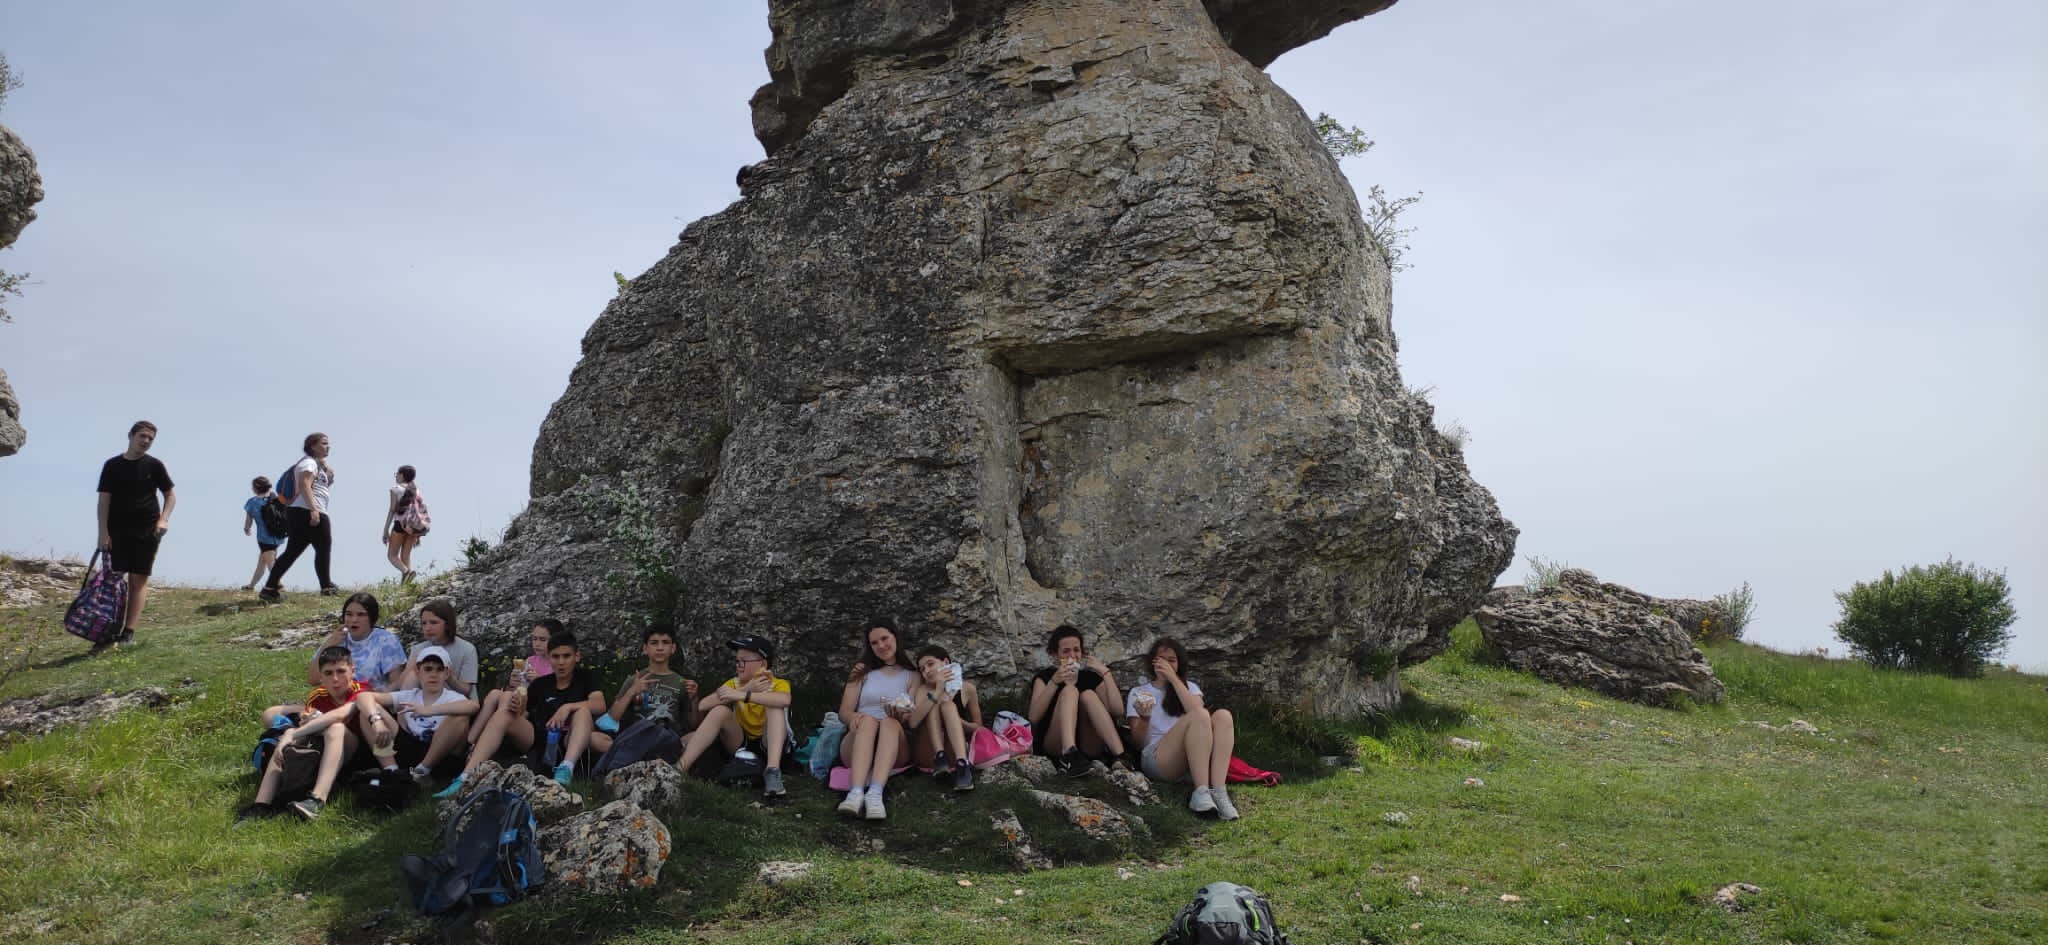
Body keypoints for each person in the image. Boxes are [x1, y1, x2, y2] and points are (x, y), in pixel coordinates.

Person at [437, 629, 610, 796]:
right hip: (540, 737)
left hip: (570, 736)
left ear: (576, 656)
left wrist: (568, 707)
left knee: (582, 712)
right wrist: (516, 707)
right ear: (549, 657)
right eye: (556, 657)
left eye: (566, 656)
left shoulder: (585, 677)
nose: (561, 662)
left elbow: (599, 704)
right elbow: (524, 715)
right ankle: (466, 776)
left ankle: (567, 767)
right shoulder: (541, 684)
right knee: (504, 714)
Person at [237, 645, 388, 821]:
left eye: (341, 671)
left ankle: (317, 799)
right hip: (328, 753)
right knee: (288, 739)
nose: (335, 679)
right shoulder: (317, 697)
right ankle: (261, 804)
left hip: (361, 753)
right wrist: (293, 733)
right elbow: (307, 723)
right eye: (328, 673)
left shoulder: (362, 690)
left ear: (352, 671)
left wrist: (293, 734)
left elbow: (340, 715)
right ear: (321, 677)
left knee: (335, 727)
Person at [1126, 637, 1240, 820]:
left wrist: (1173, 679)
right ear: (1153, 662)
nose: (1166, 664)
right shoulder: (1139, 692)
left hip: (1192, 758)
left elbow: (1198, 712)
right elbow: (1138, 743)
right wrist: (1145, 718)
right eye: (1161, 660)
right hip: (1158, 758)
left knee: (1223, 716)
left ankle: (1219, 792)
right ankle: (1201, 791)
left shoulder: (1189, 688)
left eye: (1171, 660)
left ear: (1179, 664)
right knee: (1199, 715)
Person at [256, 591, 408, 728]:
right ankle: (296, 734)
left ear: (372, 618)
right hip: (330, 702)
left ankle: (306, 732)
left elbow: (397, 682)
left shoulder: (385, 640)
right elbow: (313, 679)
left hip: (362, 706)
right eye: (349, 614)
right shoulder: (338, 638)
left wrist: (372, 699)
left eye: (361, 615)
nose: (354, 620)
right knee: (271, 714)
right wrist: (328, 644)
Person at [675, 635, 791, 798]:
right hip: (741, 743)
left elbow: (785, 700)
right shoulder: (735, 684)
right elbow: (704, 705)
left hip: (770, 744)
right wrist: (745, 689)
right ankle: (679, 768)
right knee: (719, 711)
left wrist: (743, 696)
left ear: (762, 664)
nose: (739, 666)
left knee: (774, 705)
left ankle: (772, 771)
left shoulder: (778, 684)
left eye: (743, 662)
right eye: (737, 661)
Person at [93, 420, 176, 648]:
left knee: (138, 580)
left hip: (147, 530)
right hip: (116, 531)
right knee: (112, 581)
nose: (146, 441)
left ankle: (128, 633)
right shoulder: (112, 465)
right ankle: (106, 631)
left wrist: (163, 519)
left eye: (150, 438)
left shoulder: (154, 465)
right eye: (142, 436)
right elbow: (104, 500)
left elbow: (170, 495)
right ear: (130, 436)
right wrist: (103, 532)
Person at [835, 620, 918, 820]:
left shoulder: (912, 675)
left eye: (884, 638)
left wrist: (899, 714)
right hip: (860, 736)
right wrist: (856, 718)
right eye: (874, 643)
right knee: (869, 720)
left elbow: (910, 718)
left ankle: (875, 793)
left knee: (889, 722)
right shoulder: (862, 670)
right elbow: (844, 712)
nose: (881, 646)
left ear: (895, 637)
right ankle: (855, 793)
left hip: (893, 742)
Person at [362, 645, 477, 782]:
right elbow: (364, 696)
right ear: (418, 672)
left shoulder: (453, 697)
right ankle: (392, 771)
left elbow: (473, 706)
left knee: (459, 716)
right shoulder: (409, 695)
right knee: (367, 710)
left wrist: (429, 710)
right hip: (411, 750)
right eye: (428, 669)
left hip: (441, 756)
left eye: (439, 669)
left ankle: (422, 771)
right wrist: (377, 723)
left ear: (446, 673)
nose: (433, 674)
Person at [1025, 624, 1124, 772]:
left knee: (1088, 695)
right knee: (1070, 690)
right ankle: (1069, 754)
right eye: (1066, 651)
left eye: (1076, 650)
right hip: (1055, 743)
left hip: (1089, 743)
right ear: (1055, 654)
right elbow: (1033, 718)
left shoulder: (1090, 677)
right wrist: (1054, 682)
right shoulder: (1045, 678)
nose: (1072, 655)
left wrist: (1106, 673)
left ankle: (1121, 756)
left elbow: (1118, 711)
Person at [259, 432, 337, 601]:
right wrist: (314, 509)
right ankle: (326, 587)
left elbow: (318, 484)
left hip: (298, 512)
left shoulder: (314, 464)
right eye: (324, 443)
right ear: (312, 446)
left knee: (292, 552)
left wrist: (326, 469)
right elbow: (304, 484)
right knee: (323, 548)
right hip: (309, 510)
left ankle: (269, 588)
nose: (328, 446)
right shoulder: (309, 463)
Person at [469, 620, 557, 749]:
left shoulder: (558, 665)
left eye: (543, 640)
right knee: (495, 694)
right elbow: (520, 688)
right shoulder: (530, 661)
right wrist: (513, 683)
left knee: (507, 697)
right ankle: (470, 741)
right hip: (520, 703)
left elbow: (555, 695)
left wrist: (538, 681)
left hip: (534, 713)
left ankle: (486, 741)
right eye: (534, 639)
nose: (537, 643)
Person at [906, 644, 981, 792]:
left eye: (930, 664)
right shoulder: (923, 690)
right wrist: (938, 690)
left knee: (948, 707)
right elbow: (913, 723)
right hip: (929, 753)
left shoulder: (967, 688)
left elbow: (978, 727)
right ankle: (940, 757)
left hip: (954, 749)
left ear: (946, 662)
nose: (927, 671)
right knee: (934, 702)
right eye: (922, 669)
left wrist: (959, 722)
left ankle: (962, 765)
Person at [607, 625, 701, 734]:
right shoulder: (635, 680)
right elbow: (612, 718)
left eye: (665, 642)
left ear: (673, 648)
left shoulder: (682, 683)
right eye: (654, 643)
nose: (660, 648)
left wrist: (694, 699)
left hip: (670, 739)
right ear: (645, 648)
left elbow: (694, 725)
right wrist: (631, 692)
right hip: (639, 737)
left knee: (695, 737)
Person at [392, 599, 479, 695]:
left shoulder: (467, 649)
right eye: (424, 623)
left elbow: (466, 690)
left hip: (459, 702)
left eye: (434, 622)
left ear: (447, 624)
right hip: (426, 701)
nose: (427, 628)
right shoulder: (418, 649)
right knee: (412, 675)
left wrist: (448, 675)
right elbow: (401, 687)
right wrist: (410, 667)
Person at [240, 476, 283, 592]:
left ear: (256, 488)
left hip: (264, 538)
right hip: (278, 536)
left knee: (270, 562)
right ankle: (251, 586)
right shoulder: (276, 498)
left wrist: (247, 529)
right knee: (262, 562)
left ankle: (278, 584)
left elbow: (249, 519)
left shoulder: (252, 502)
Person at [382, 465, 422, 582]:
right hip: (413, 526)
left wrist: (385, 530)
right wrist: (418, 535)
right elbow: (419, 511)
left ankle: (406, 571)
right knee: (405, 556)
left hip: (400, 524)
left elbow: (392, 510)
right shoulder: (416, 490)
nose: (396, 476)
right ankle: (407, 585)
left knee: (392, 555)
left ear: (402, 475)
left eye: (397, 474)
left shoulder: (395, 489)